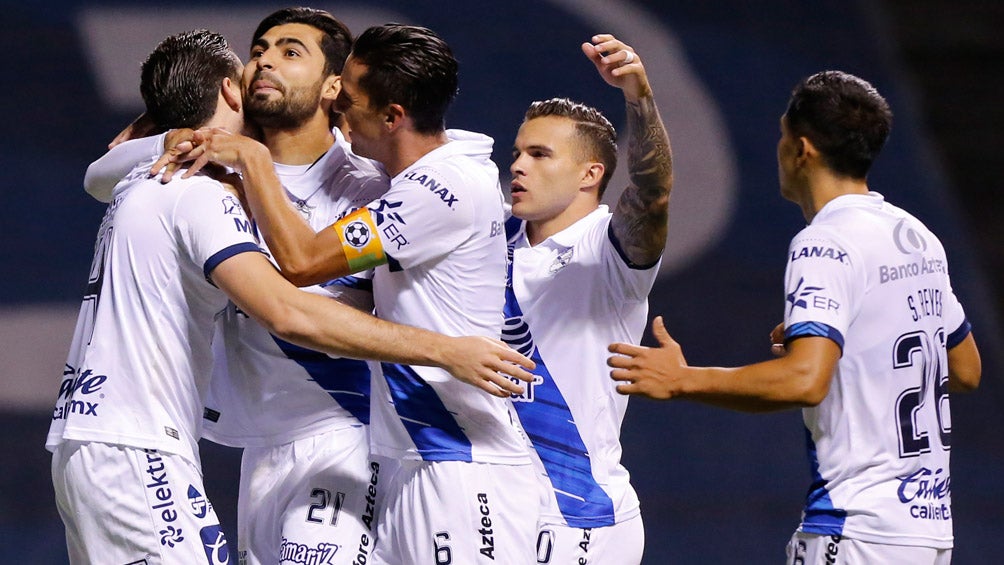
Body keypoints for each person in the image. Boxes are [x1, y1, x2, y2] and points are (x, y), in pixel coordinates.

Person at [47, 28, 533, 565]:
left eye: (290, 52)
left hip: (344, 435)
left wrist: (448, 347)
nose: (267, 62)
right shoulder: (211, 175)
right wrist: (169, 139)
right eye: (258, 52)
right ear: (236, 90)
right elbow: (100, 174)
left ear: (334, 89)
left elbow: (298, 283)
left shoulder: (377, 184)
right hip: (257, 447)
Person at [608, 70, 981, 564]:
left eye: (783, 136)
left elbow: (803, 381)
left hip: (857, 530)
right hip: (926, 533)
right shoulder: (914, 235)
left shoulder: (824, 242)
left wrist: (683, 379)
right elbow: (964, 369)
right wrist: (853, 347)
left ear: (802, 149)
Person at [503, 34, 672, 564]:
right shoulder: (487, 239)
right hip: (488, 506)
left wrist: (639, 97)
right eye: (517, 153)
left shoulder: (610, 250)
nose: (518, 166)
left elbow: (653, 193)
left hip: (579, 515)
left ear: (590, 174)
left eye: (539, 154)